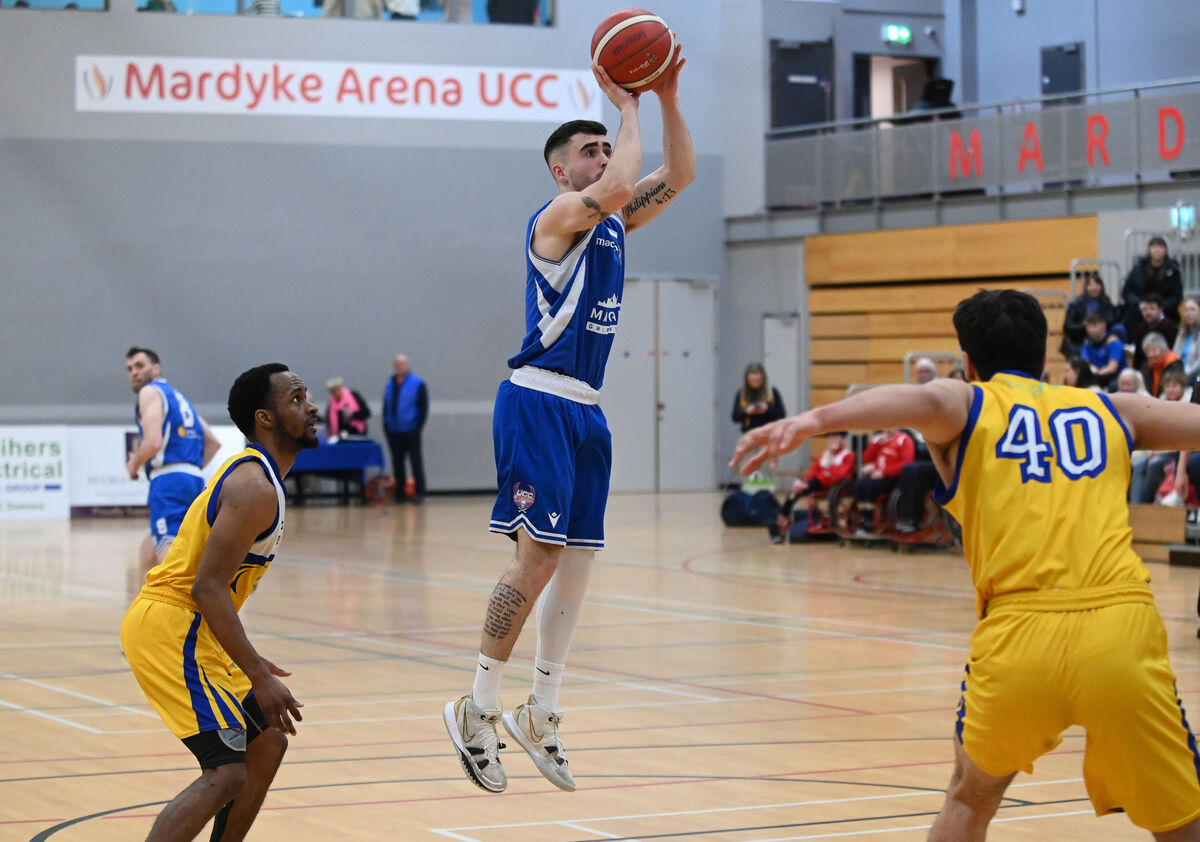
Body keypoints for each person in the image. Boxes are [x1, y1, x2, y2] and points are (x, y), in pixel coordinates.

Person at [732, 289, 1200, 841]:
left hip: (1020, 634)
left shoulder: (970, 403)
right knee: (1181, 820)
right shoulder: (1111, 409)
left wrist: (815, 419)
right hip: (1119, 630)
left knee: (970, 797)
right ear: (1044, 354)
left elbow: (922, 401)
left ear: (969, 362)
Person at [443, 49, 694, 794]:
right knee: (537, 560)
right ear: (562, 171)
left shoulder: (614, 224)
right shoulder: (556, 218)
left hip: (586, 406)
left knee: (577, 562)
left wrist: (668, 95)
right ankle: (476, 704)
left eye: (609, 147)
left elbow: (680, 175)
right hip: (538, 398)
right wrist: (629, 105)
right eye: (591, 150)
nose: (606, 157)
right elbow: (620, 185)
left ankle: (542, 710)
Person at [120, 363, 319, 842]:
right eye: (296, 399)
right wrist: (257, 675)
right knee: (226, 772)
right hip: (172, 625)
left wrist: (245, 654)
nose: (312, 407)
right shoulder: (253, 486)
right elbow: (206, 587)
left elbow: (214, 589)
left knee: (267, 743)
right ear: (264, 419)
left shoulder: (262, 478)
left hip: (197, 627)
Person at [125, 347, 221, 574]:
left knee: (170, 561)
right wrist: (186, 469)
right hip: (194, 480)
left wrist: (133, 465)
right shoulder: (178, 397)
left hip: (168, 483)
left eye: (140, 366)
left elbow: (153, 443)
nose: (134, 373)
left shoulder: (149, 392)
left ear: (156, 368)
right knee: (148, 552)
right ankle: (145, 596)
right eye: (129, 369)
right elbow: (213, 443)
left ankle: (185, 597)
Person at [769, 431, 854, 543]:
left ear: (842, 440)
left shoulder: (848, 455)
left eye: (835, 437)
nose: (832, 440)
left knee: (812, 484)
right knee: (795, 492)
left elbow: (839, 476)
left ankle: (788, 515)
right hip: (819, 484)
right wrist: (804, 482)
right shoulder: (824, 455)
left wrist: (831, 464)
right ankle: (784, 517)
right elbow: (813, 473)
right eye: (830, 438)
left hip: (837, 487)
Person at [382, 354, 428, 503]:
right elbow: (386, 406)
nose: (399, 367)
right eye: (397, 364)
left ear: (407, 365)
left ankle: (419, 493)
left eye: (402, 364)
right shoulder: (390, 384)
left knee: (415, 462)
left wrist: (417, 427)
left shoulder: (417, 383)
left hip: (411, 430)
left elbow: (423, 407)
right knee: (397, 464)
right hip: (394, 431)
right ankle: (399, 494)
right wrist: (386, 426)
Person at [1122, 235, 1183, 335]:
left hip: (1166, 312)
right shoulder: (1138, 268)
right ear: (1149, 250)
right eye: (1154, 247)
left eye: (1160, 247)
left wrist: (1160, 307)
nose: (1157, 250)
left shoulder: (1173, 270)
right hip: (1139, 311)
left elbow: (1176, 296)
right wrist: (1140, 304)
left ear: (1165, 251)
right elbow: (1127, 292)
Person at [1062, 271, 1123, 355]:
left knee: (1119, 329)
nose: (1094, 288)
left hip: (1103, 335)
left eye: (1097, 284)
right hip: (1081, 337)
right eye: (1090, 285)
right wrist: (1084, 326)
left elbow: (1112, 319)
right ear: (1086, 287)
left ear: (1101, 287)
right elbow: (1068, 326)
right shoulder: (1076, 304)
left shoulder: (1106, 301)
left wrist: (1100, 325)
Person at [732, 363, 786, 432]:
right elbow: (735, 417)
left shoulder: (771, 392)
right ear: (747, 380)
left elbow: (781, 414)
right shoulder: (742, 394)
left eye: (758, 381)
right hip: (749, 431)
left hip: (768, 431)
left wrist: (767, 409)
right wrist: (746, 412)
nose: (755, 384)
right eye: (752, 381)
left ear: (763, 379)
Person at [1077, 311, 1125, 390]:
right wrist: (1090, 367)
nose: (1091, 330)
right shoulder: (1087, 342)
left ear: (1103, 325)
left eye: (1094, 325)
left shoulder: (1113, 341)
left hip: (1114, 377)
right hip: (1096, 376)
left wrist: (1097, 373)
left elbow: (1112, 368)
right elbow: (1085, 362)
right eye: (1088, 326)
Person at [1130, 294, 1178, 370]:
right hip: (1146, 369)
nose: (1148, 312)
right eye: (1144, 309)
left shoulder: (1170, 328)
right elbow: (1138, 357)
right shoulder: (1141, 329)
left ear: (1160, 310)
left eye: (1152, 308)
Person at [1140, 331, 1184, 398]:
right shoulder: (1147, 366)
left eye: (1154, 350)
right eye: (1148, 351)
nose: (1151, 354)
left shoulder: (1175, 364)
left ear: (1163, 349)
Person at [1173, 296, 1200, 384]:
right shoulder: (1182, 333)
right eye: (1186, 310)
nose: (1188, 313)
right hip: (1179, 377)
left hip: (1195, 379)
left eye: (1192, 310)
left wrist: (1185, 375)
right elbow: (1175, 355)